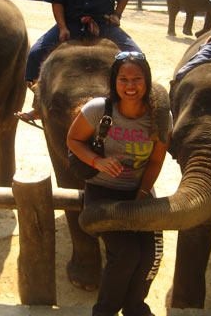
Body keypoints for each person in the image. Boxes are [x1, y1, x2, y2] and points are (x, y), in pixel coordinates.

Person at [67, 51, 170, 316]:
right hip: (103, 192)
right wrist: (96, 162)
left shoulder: (159, 118)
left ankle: (135, 308)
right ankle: (104, 312)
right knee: (125, 254)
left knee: (150, 255)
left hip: (138, 191)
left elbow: (156, 162)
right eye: (123, 79)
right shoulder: (99, 109)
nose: (130, 85)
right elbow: (73, 140)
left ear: (146, 81)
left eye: (137, 78)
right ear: (114, 81)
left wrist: (144, 192)